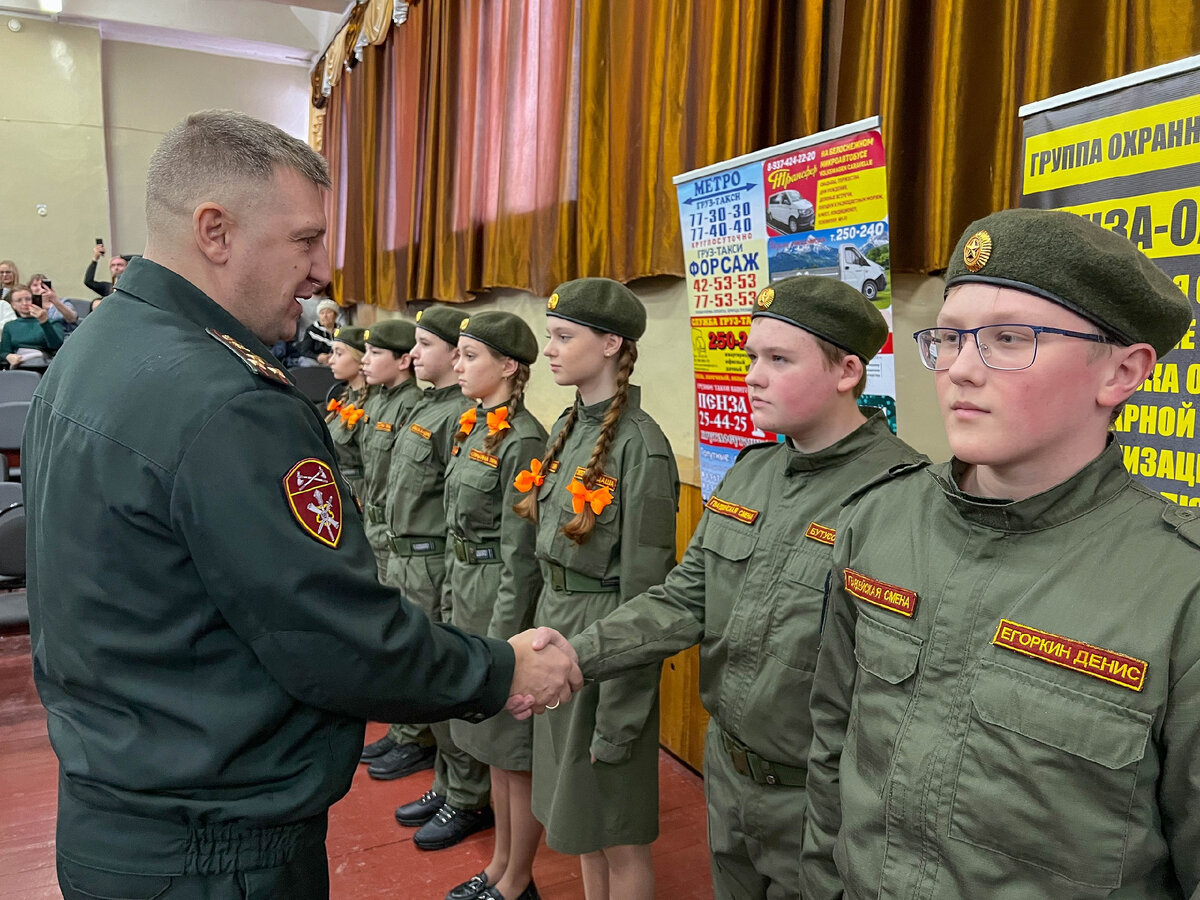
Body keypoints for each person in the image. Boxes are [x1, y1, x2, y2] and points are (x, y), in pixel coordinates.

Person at [22, 109, 581, 900]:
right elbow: (331, 634)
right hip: (216, 852)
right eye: (305, 240)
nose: (324, 269)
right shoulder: (226, 401)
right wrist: (503, 667)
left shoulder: (97, 347)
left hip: (120, 812)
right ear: (214, 231)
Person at [800, 208, 1199, 899]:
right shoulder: (879, 524)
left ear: (1123, 373)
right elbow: (834, 746)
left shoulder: (1178, 590)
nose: (959, 371)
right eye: (949, 340)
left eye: (1009, 339)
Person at [525, 276, 926, 899]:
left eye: (778, 359)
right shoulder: (751, 474)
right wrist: (575, 655)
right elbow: (684, 599)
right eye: (751, 358)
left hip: (821, 804)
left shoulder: (904, 499)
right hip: (731, 778)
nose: (753, 377)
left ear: (847, 371)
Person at [514, 279, 678, 900]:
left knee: (617, 828)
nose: (549, 350)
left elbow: (648, 596)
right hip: (560, 628)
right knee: (581, 819)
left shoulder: (641, 447)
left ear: (611, 343)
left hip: (606, 643)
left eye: (563, 337)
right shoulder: (569, 427)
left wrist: (622, 716)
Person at [443, 311, 548, 900]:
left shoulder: (522, 439)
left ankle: (517, 879)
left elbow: (520, 553)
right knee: (490, 748)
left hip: (498, 604)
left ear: (508, 366)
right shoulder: (476, 427)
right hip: (465, 590)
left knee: (512, 748)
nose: (458, 365)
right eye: (456, 355)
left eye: (470, 356)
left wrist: (504, 641)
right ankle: (499, 867)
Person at [385, 305, 493, 852]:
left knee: (449, 678)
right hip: (420, 559)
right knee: (427, 676)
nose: (414, 354)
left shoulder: (463, 415)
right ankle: (447, 781)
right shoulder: (431, 408)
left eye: (425, 345)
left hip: (439, 563)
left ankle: (467, 793)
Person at [357, 317, 438, 781]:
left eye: (374, 354)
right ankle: (405, 728)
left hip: (416, 544)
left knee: (414, 635)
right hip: (386, 531)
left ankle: (416, 735)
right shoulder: (385, 402)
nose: (366, 362)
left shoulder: (414, 405)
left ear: (402, 360)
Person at [324, 324, 370, 500]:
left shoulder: (370, 405)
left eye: (339, 353)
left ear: (360, 360)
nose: (331, 360)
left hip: (357, 493)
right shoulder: (346, 400)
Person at [1, 283, 64, 368]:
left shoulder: (52, 322)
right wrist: (8, 356)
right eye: (19, 300)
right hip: (18, 364)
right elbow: (4, 352)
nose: (24, 303)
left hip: (43, 364)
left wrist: (44, 322)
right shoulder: (10, 326)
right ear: (13, 305)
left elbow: (56, 345)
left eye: (28, 299)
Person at [295, 298, 340, 366]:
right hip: (316, 362)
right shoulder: (312, 330)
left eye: (328, 312)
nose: (325, 316)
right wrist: (318, 357)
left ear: (335, 315)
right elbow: (305, 351)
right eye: (322, 313)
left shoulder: (341, 331)